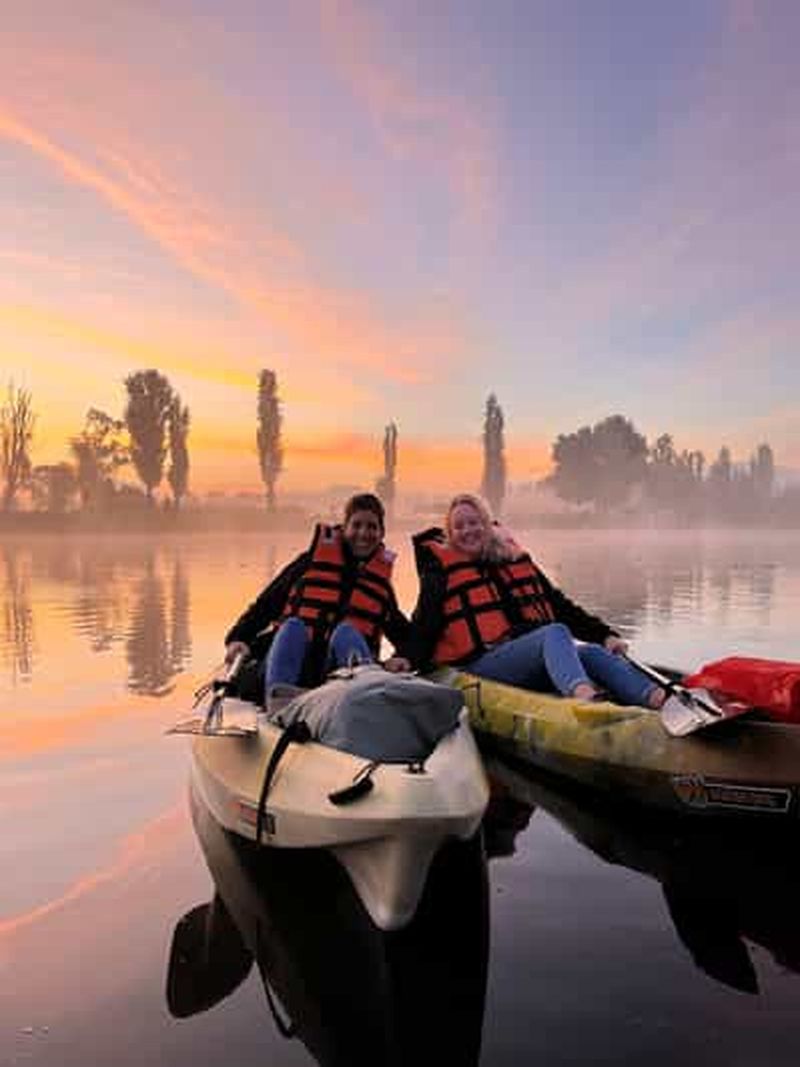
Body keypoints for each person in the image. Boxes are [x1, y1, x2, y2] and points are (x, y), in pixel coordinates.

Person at [406, 493, 677, 711]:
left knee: (592, 653)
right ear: (450, 534)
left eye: (474, 523)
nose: (468, 531)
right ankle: (587, 702)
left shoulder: (513, 559)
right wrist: (406, 658)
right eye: (459, 526)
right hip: (480, 666)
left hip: (524, 660)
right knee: (554, 633)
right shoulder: (440, 571)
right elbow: (425, 622)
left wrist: (604, 635)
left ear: (487, 525)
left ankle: (661, 701)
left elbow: (559, 606)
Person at [225, 493, 411, 702]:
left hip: (337, 681)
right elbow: (266, 605)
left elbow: (404, 635)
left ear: (382, 533)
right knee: (293, 627)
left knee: (346, 633)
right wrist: (238, 638)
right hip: (290, 669)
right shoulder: (309, 563)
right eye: (356, 525)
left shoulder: (380, 585)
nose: (363, 533)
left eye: (372, 527)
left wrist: (402, 657)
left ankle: (363, 700)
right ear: (344, 527)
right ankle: (279, 699)